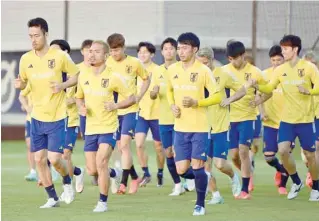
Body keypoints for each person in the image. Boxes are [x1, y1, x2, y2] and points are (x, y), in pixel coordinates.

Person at [14, 17, 79, 208]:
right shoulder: (26, 59)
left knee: (55, 159)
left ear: (46, 34)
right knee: (39, 159)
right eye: (30, 36)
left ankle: (67, 182)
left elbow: (76, 75)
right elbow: (25, 83)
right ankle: (52, 197)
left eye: (37, 35)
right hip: (36, 117)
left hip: (57, 115)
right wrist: (21, 85)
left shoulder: (59, 56)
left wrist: (62, 85)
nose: (33, 39)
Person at [251, 35, 319, 201]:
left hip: (305, 120)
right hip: (287, 120)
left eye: (286, 49)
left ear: (295, 49)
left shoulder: (309, 68)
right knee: (282, 151)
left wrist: (309, 91)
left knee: (311, 155)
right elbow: (269, 87)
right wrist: (256, 85)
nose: (283, 52)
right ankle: (296, 181)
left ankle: (316, 187)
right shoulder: (280, 70)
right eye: (282, 49)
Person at [166, 32, 223, 215]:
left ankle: (200, 205)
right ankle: (202, 178)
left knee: (198, 165)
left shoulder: (203, 71)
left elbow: (217, 96)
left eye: (184, 48)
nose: (180, 51)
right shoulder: (172, 69)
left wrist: (197, 103)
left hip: (199, 127)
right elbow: (169, 90)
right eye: (179, 47)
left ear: (194, 49)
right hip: (180, 128)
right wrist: (172, 105)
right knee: (182, 169)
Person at [76, 40, 135, 212]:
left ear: (106, 56)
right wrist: (81, 107)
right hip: (90, 128)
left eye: (96, 52)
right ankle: (114, 174)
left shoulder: (114, 77)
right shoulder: (83, 75)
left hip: (108, 127)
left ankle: (102, 202)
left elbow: (131, 98)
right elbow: (79, 97)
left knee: (101, 162)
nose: (91, 54)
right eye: (90, 51)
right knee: (92, 169)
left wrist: (116, 106)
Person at [197, 47, 248, 204]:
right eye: (200, 63)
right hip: (201, 126)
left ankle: (233, 177)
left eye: (205, 63)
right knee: (204, 164)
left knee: (219, 164)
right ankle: (216, 195)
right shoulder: (196, 75)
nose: (203, 66)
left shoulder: (223, 74)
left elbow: (243, 90)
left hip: (220, 125)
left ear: (211, 60)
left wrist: (229, 100)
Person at [222, 41, 267, 199]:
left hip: (248, 117)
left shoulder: (255, 72)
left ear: (243, 56)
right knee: (233, 155)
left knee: (243, 151)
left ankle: (245, 189)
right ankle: (245, 174)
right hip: (229, 119)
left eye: (236, 58)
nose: (233, 62)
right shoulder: (223, 71)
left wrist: (259, 101)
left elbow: (268, 91)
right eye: (230, 59)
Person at [106, 33, 150, 194]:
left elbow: (146, 79)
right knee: (120, 147)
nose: (114, 54)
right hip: (113, 110)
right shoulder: (106, 62)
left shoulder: (134, 63)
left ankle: (123, 183)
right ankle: (135, 176)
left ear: (123, 48)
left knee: (124, 145)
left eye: (117, 50)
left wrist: (140, 95)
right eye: (111, 51)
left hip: (130, 109)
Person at [150, 37, 190, 195]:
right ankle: (178, 183)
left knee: (180, 152)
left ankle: (190, 178)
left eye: (172, 48)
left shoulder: (182, 69)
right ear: (162, 52)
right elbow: (153, 94)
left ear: (177, 51)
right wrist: (153, 93)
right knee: (168, 152)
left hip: (181, 118)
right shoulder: (157, 71)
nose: (169, 51)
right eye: (166, 49)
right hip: (164, 119)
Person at [251, 45, 289, 194]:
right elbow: (258, 95)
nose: (276, 62)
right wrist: (262, 111)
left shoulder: (289, 76)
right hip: (270, 122)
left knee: (285, 153)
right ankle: (280, 170)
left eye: (279, 59)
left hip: (288, 122)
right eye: (273, 60)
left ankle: (282, 186)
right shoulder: (265, 75)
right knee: (268, 157)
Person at [50, 39, 85, 194]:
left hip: (71, 119)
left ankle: (67, 187)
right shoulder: (51, 73)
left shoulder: (76, 73)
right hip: (54, 119)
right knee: (55, 156)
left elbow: (84, 95)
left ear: (65, 53)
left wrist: (72, 100)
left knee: (66, 153)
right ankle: (77, 172)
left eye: (56, 50)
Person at [135, 41, 165, 187]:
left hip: (157, 113)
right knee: (139, 144)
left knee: (159, 147)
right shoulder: (134, 69)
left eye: (145, 52)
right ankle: (146, 172)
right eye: (140, 52)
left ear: (152, 54)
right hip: (140, 113)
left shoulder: (158, 70)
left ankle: (160, 172)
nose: (142, 55)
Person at [300, 50, 319, 188]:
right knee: (306, 151)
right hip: (303, 117)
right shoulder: (298, 80)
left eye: (313, 64)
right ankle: (311, 170)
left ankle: (314, 177)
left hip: (317, 117)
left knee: (316, 147)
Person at [19, 85, 37, 181]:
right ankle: (32, 171)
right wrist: (25, 106)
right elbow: (22, 97)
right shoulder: (28, 83)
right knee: (29, 144)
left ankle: (50, 168)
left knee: (44, 147)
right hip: (30, 119)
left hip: (43, 118)